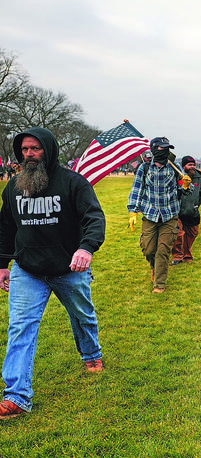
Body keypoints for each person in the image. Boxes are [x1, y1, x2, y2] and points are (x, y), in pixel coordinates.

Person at [0, 127, 106, 419]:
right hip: (27, 270)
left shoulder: (73, 183)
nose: (29, 155)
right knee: (20, 327)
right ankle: (16, 396)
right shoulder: (13, 187)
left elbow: (94, 218)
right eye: (24, 150)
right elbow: (6, 228)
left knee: (82, 315)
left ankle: (91, 354)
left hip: (68, 268)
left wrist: (86, 248)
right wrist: (1, 264)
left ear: (48, 149)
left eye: (35, 149)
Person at [127, 137, 189, 294]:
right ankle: (155, 267)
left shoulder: (174, 168)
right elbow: (137, 189)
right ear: (154, 150)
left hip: (170, 215)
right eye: (162, 149)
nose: (165, 152)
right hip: (150, 215)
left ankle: (159, 284)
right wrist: (132, 210)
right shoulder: (144, 168)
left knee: (163, 250)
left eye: (167, 149)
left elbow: (184, 190)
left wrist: (187, 185)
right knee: (149, 249)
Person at [171, 156, 201, 265]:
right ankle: (177, 256)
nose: (192, 167)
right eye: (190, 165)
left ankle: (187, 254)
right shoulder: (177, 176)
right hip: (178, 211)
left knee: (192, 234)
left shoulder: (199, 178)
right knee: (178, 235)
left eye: (193, 164)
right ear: (184, 166)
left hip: (193, 212)